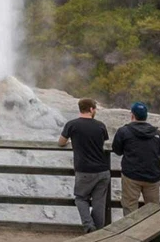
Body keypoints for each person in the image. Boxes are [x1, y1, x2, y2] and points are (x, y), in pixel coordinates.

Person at [58, 98, 110, 233]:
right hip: (103, 170)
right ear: (92, 109)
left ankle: (89, 227)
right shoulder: (100, 125)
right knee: (99, 203)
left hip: (84, 170)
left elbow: (61, 142)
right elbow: (103, 142)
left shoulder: (72, 125)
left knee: (81, 198)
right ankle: (98, 234)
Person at [112, 102, 160, 215]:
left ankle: (131, 232)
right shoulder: (158, 133)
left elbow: (117, 151)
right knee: (153, 209)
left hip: (131, 175)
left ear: (132, 115)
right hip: (152, 175)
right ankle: (153, 232)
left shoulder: (123, 131)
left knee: (130, 207)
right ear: (146, 116)